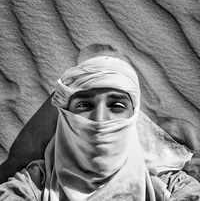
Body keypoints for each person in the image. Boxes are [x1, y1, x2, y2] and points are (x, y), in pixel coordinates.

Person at [0, 55, 200, 200]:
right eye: (84, 105)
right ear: (65, 115)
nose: (100, 118)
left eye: (117, 105)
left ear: (133, 115)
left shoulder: (171, 185)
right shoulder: (36, 182)